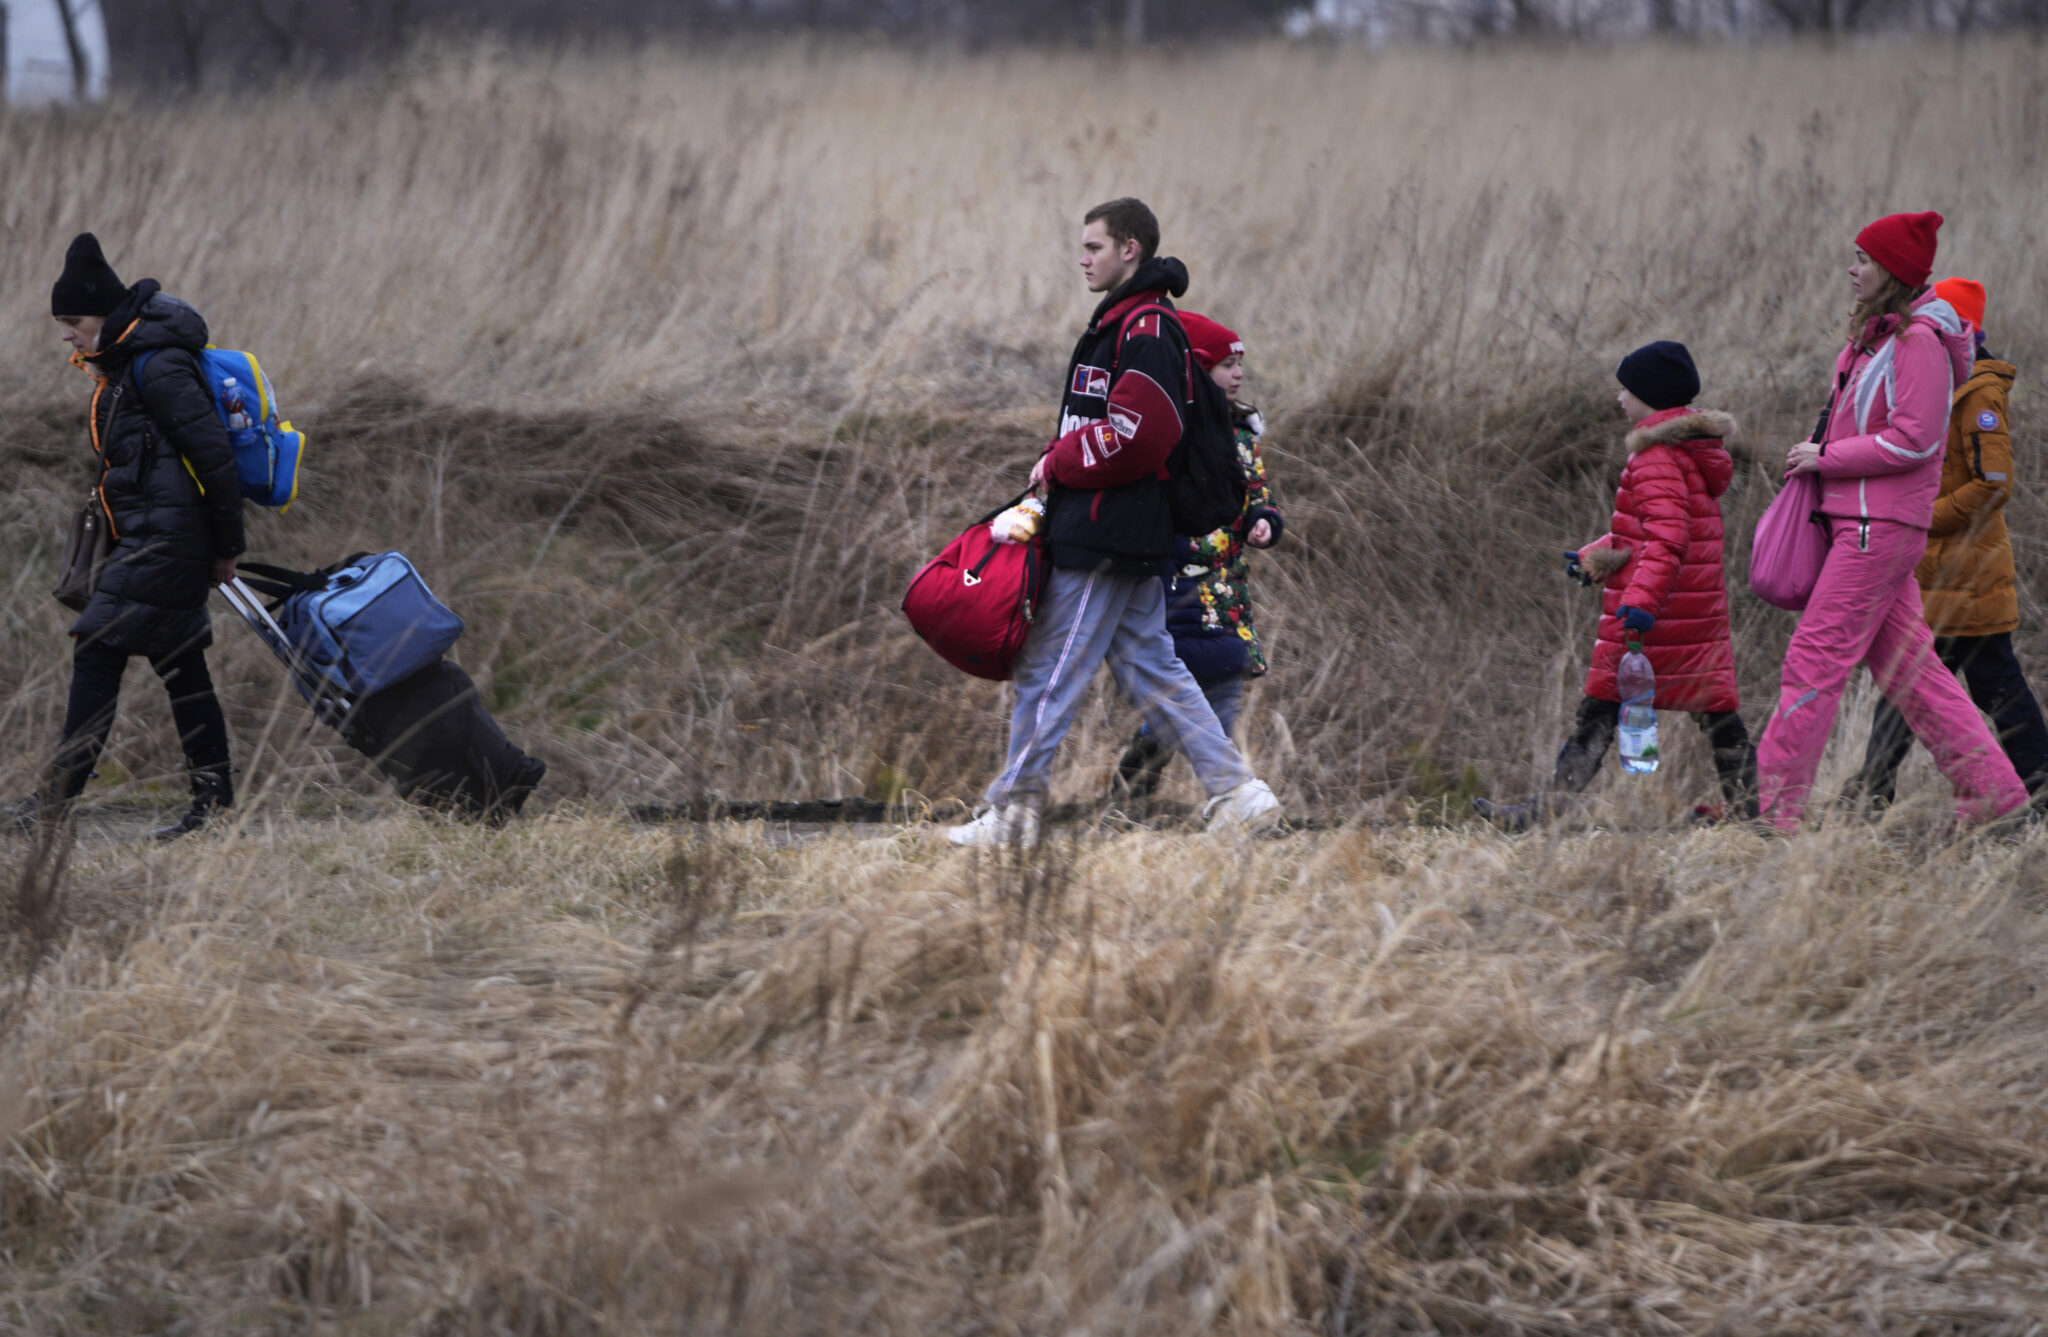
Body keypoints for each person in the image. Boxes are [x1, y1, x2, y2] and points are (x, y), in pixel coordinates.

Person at [945, 198, 1283, 847]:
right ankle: (1236, 791)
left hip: (1108, 532)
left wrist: (1059, 458)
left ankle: (1014, 812)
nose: (1082, 258)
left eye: (1094, 247)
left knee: (1050, 670)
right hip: (1119, 530)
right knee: (1158, 671)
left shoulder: (1147, 329)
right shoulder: (1126, 323)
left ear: (1131, 249)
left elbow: (1142, 433)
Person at [1756, 213, 2027, 831]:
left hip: (1877, 530)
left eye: (1864, 260)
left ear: (1894, 274)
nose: (1852, 271)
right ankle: (1996, 797)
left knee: (1812, 661)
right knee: (1914, 672)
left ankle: (1771, 813)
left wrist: (1826, 457)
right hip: (1863, 524)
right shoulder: (1876, 339)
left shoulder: (1917, 344)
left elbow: (1915, 439)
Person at [9, 234, 245, 840]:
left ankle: (55, 806)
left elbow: (213, 455)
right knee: (181, 665)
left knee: (99, 648)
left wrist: (227, 546)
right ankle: (214, 806)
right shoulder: (128, 362)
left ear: (106, 314)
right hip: (152, 537)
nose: (66, 334)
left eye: (73, 321)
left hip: (170, 540)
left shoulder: (156, 363)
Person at [1473, 341, 1756, 831]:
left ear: (1650, 397)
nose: (1619, 399)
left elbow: (1668, 540)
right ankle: (1755, 814)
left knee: (1601, 710)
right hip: (1693, 614)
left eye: (1626, 390)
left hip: (1658, 617)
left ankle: (1543, 814)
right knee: (1717, 715)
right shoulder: (1687, 452)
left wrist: (1639, 603)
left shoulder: (1655, 458)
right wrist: (1596, 558)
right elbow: (1646, 532)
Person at [1848, 276, 2048, 811]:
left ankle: (2038, 792)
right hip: (1933, 577)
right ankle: (1869, 797)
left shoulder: (1980, 392)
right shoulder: (1938, 379)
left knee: (1993, 693)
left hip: (1970, 578)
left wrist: (1920, 517)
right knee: (1905, 690)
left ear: (1962, 328)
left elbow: (1992, 485)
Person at [1112, 311, 1284, 802]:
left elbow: (1259, 496)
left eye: (1239, 365)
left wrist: (1264, 522)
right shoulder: (1172, 435)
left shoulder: (1242, 437)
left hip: (1229, 587)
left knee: (1226, 678)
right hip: (1175, 586)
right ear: (1198, 370)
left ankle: (1224, 793)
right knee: (1179, 691)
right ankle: (1144, 780)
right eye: (1226, 364)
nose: (1238, 374)